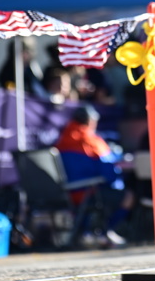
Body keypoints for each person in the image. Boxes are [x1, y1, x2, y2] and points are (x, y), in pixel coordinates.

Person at [54, 104, 133, 246]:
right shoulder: (92, 141)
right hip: (88, 193)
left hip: (65, 194)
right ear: (91, 122)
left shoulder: (61, 140)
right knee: (128, 197)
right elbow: (109, 173)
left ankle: (90, 232)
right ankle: (105, 232)